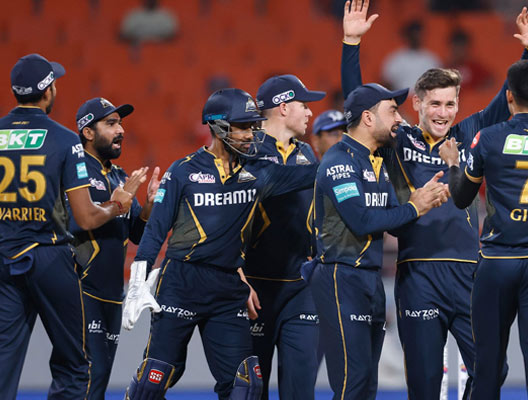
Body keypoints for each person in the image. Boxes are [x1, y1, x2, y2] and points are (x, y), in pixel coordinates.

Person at [341, 1, 528, 397]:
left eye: (450, 104)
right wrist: (351, 43)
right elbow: (360, 106)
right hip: (419, 276)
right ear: (416, 103)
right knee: (425, 383)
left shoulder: (468, 133)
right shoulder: (398, 140)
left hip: (470, 275)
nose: (443, 112)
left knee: (493, 370)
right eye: (435, 103)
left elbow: (508, 96)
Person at [121, 88, 319, 400]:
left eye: (252, 126)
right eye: (242, 127)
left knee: (245, 384)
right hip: (181, 283)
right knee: (155, 379)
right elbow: (155, 231)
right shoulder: (183, 171)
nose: (250, 134)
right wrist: (137, 283)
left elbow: (315, 174)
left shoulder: (259, 172)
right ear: (218, 127)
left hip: (228, 288)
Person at [0, 53, 144, 399]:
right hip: (48, 257)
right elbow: (86, 218)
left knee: (3, 360)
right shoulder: (65, 141)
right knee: (78, 365)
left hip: (4, 255)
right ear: (47, 90)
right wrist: (118, 205)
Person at [439, 59, 528, 399]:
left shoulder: (488, 138)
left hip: (496, 262)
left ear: (508, 96)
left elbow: (462, 199)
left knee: (487, 367)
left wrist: (453, 164)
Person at [310, 82, 449, 399]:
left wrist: (422, 201)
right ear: (368, 118)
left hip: (369, 279)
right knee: (352, 381)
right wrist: (414, 207)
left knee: (366, 384)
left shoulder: (376, 163)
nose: (399, 118)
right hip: (340, 276)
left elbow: (394, 223)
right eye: (392, 111)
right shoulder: (339, 162)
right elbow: (361, 221)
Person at [69, 97, 162, 400]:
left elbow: (136, 234)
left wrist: (147, 208)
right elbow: (74, 223)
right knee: (85, 379)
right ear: (88, 132)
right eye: (111, 124)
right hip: (82, 292)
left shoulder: (119, 176)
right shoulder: (74, 171)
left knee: (97, 382)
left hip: (112, 297)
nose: (121, 130)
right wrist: (116, 204)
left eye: (120, 123)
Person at [242, 74, 324, 400]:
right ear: (284, 107)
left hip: (301, 287)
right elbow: (262, 185)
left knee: (302, 390)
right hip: (255, 288)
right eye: (304, 105)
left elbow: (313, 210)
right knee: (251, 391)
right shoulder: (247, 149)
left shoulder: (306, 152)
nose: (310, 113)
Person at [381, 19, 442, 92]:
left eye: (419, 35)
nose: (416, 38)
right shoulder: (396, 58)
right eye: (414, 35)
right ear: (408, 36)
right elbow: (387, 81)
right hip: (402, 96)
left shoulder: (431, 59)